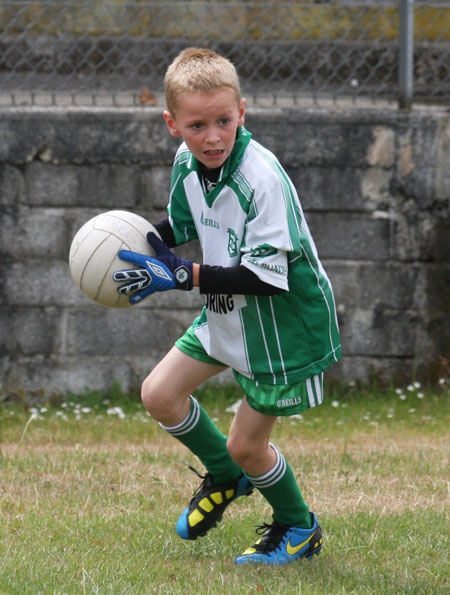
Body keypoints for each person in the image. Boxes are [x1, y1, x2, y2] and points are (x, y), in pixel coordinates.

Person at [113, 47, 341, 566]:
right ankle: (225, 476)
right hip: (227, 308)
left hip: (281, 326)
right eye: (197, 125)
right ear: (173, 125)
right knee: (160, 394)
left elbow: (267, 279)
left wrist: (183, 275)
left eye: (223, 121)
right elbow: (182, 226)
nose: (213, 136)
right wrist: (132, 244)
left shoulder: (260, 177)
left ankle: (298, 527)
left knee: (248, 445)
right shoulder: (187, 164)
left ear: (243, 111)